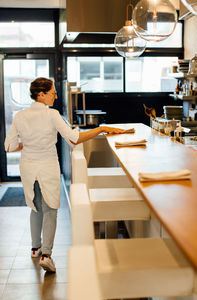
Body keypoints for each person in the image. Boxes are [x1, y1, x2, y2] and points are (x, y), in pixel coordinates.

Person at [4, 77, 125, 273]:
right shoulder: (52, 115)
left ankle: (35, 249)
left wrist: (27, 143)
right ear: (41, 94)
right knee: (50, 209)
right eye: (52, 93)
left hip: (27, 167)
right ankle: (47, 255)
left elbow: (9, 147)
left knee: (35, 207)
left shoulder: (19, 116)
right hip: (47, 166)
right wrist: (101, 129)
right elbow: (75, 138)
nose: (55, 96)